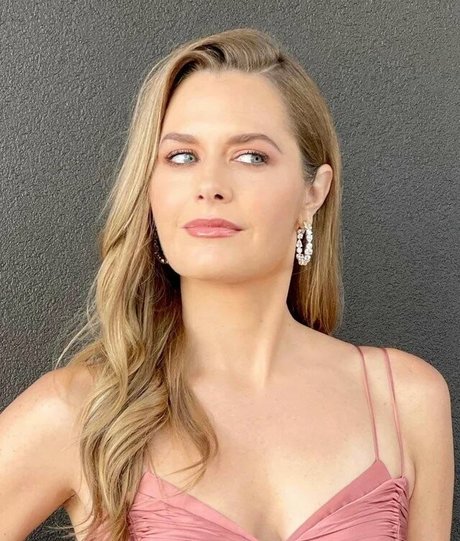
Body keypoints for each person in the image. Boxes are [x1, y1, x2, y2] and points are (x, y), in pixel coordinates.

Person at [0, 27, 454, 541]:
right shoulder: (79, 411)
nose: (210, 186)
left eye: (251, 156)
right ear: (149, 188)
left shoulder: (406, 400)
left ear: (313, 192)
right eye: (182, 157)